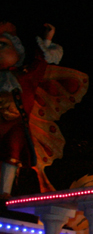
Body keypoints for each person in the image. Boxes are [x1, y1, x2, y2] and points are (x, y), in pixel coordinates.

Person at [0, 22, 87, 196]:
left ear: (17, 51)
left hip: (16, 123)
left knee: (12, 153)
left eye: (3, 45)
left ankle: (4, 191)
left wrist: (47, 40)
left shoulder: (25, 76)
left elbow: (40, 63)